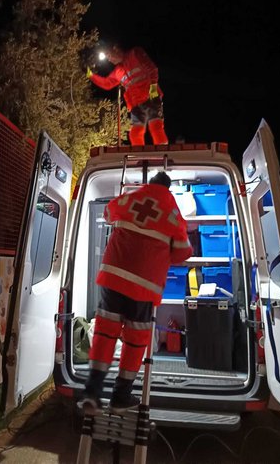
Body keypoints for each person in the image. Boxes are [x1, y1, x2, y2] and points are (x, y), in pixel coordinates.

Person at [78, 171, 193, 415]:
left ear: (150, 184)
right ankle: (120, 396)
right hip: (144, 287)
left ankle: (92, 392)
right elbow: (183, 251)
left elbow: (108, 213)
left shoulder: (131, 197)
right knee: (134, 341)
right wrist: (162, 257)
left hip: (113, 279)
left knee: (105, 334)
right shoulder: (172, 211)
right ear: (168, 188)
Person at [86, 44, 168, 146]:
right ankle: (138, 158)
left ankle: (163, 153)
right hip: (136, 104)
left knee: (156, 126)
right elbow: (107, 84)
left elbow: (152, 68)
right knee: (135, 133)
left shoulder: (134, 54)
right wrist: (90, 75)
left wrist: (153, 90)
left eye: (109, 55)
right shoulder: (117, 71)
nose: (109, 59)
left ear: (116, 49)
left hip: (150, 97)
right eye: (107, 58)